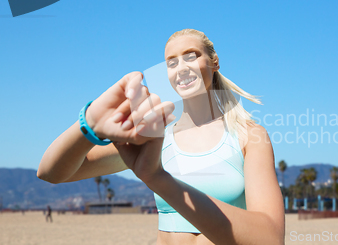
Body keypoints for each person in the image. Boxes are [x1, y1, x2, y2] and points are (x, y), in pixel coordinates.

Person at [37, 29, 285, 244]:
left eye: (192, 56)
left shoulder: (248, 136)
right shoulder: (156, 138)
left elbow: (270, 239)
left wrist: (157, 178)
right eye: (172, 62)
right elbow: (50, 173)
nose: (182, 67)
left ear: (214, 62)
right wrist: (89, 124)